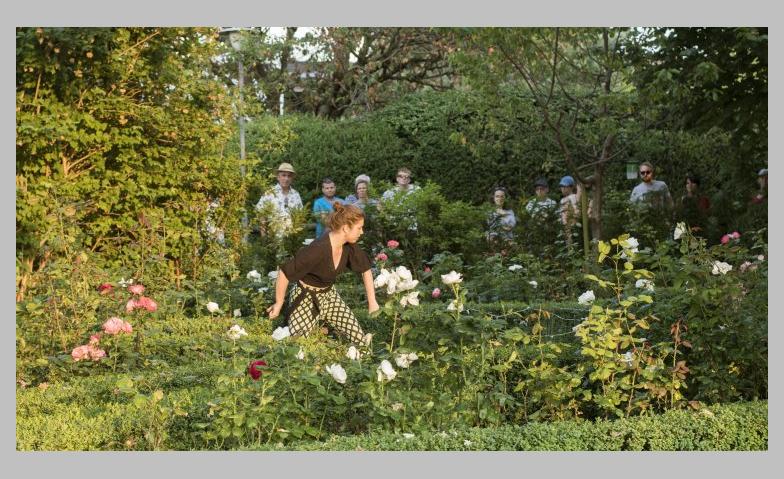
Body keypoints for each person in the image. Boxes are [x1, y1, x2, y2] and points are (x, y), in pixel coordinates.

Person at [267, 203, 378, 346]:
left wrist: (372, 301)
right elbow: (285, 272)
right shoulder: (317, 249)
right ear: (345, 228)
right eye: (359, 228)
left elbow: (365, 269)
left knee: (359, 339)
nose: (361, 232)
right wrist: (279, 303)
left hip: (329, 295)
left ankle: (362, 363)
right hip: (305, 298)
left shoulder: (349, 246)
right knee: (299, 345)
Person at [255, 163, 304, 237]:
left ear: (292, 178)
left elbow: (300, 217)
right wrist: (264, 237)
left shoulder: (296, 194)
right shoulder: (269, 193)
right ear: (278, 177)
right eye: (283, 175)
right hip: (273, 238)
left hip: (292, 238)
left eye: (289, 176)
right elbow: (262, 215)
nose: (286, 179)